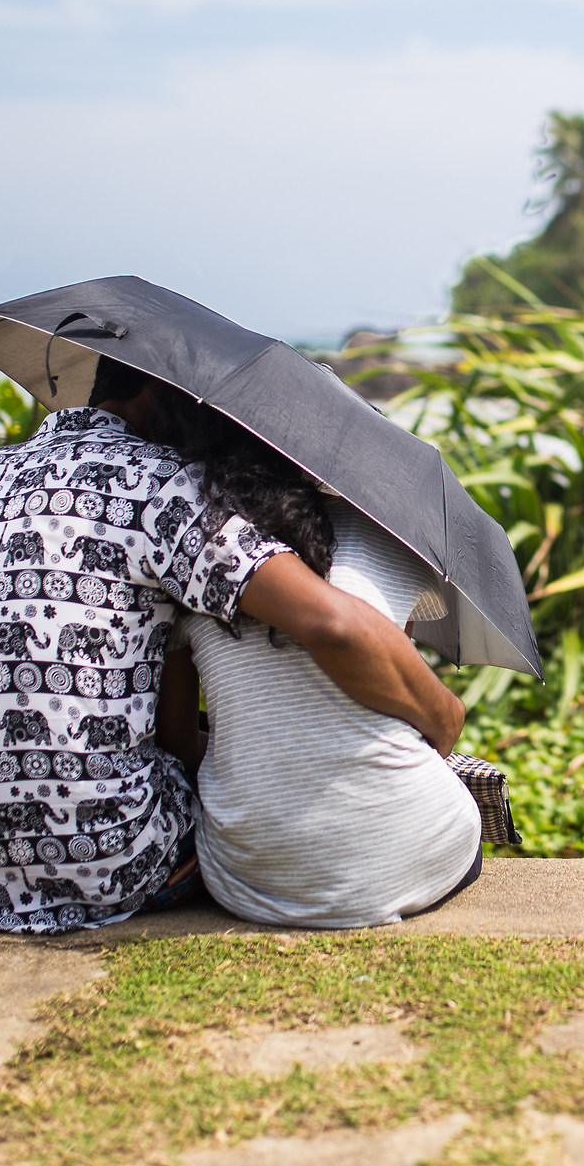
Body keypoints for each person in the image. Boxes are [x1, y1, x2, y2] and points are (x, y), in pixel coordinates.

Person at [0, 356, 459, 934]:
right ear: (159, 394)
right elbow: (333, 626)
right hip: (114, 868)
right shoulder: (163, 486)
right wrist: (444, 717)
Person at [145, 392, 483, 929]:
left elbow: (179, 742)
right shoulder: (392, 540)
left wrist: (260, 748)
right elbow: (401, 692)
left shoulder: (202, 552)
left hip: (249, 881)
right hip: (418, 849)